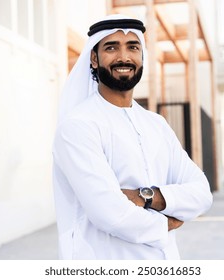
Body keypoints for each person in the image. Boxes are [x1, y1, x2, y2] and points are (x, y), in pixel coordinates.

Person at [52, 14, 213, 260]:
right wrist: (168, 220)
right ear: (94, 59)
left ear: (141, 56)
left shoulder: (156, 124)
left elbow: (201, 193)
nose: (124, 57)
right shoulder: (78, 126)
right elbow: (110, 214)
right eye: (111, 47)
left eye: (133, 47)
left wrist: (146, 197)